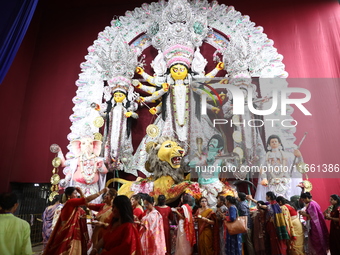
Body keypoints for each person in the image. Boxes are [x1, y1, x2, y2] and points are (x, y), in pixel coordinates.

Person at [43, 186, 108, 255]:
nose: (77, 195)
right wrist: (101, 192)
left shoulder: (74, 205)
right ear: (69, 195)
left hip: (75, 232)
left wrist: (81, 192)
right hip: (70, 232)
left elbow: (84, 202)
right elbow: (86, 200)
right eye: (75, 193)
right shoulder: (71, 202)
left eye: (77, 193)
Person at [256, 134, 303, 200]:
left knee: (286, 199)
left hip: (285, 181)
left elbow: (297, 163)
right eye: (272, 142)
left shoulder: (287, 155)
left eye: (276, 141)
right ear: (269, 144)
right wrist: (264, 178)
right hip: (272, 181)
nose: (274, 143)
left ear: (279, 143)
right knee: (273, 199)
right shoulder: (266, 156)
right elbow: (261, 168)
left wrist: (299, 156)